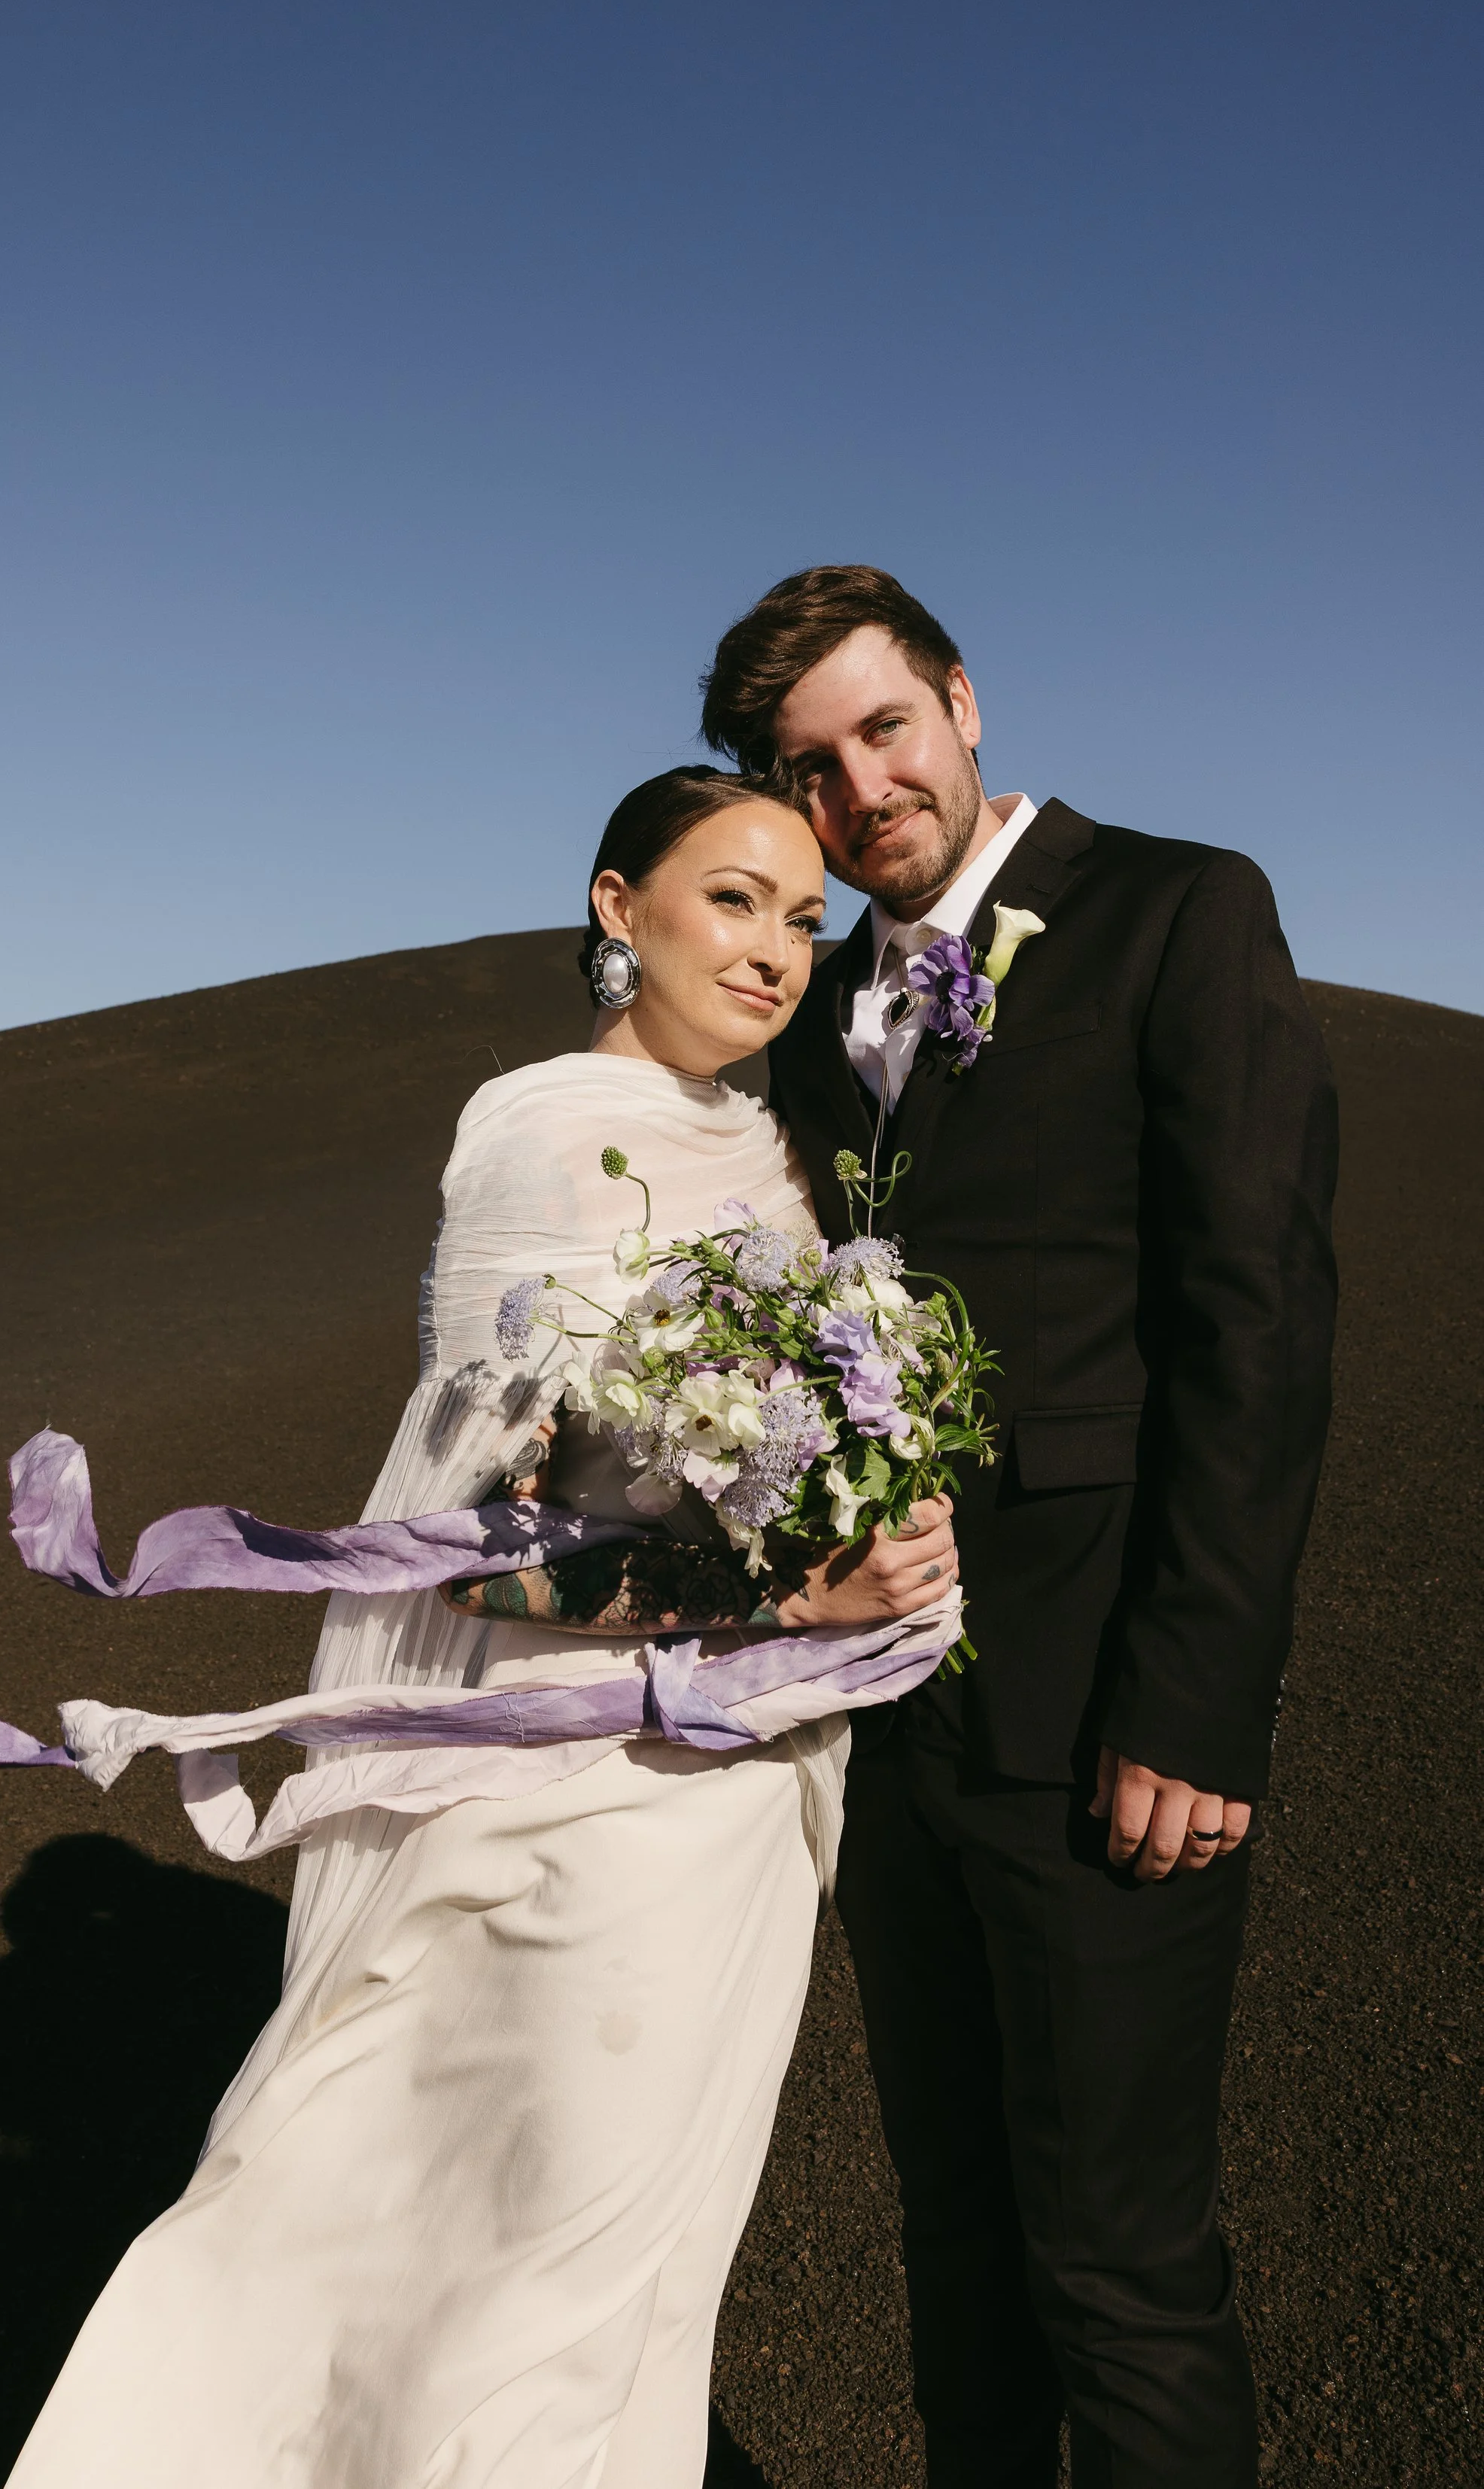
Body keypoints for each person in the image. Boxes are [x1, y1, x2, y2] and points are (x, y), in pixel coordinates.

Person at [2, 770, 956, 2488]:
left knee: (632, 2278)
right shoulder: (537, 1135)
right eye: (730, 898)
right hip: (576, 1792)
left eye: (803, 919)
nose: (773, 951)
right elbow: (476, 1555)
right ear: (616, 905)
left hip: (736, 1789)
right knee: (511, 2268)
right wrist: (792, 1592)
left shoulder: (765, 1141)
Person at [701, 565, 1339, 2488]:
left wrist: (1197, 1703)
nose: (862, 788)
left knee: (1118, 2267)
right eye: (808, 769)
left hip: (1103, 1723)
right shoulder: (812, 1018)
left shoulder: (1175, 910)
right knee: (955, 2239)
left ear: (962, 702)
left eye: (883, 729)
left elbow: (1255, 1322)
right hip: (891, 1736)